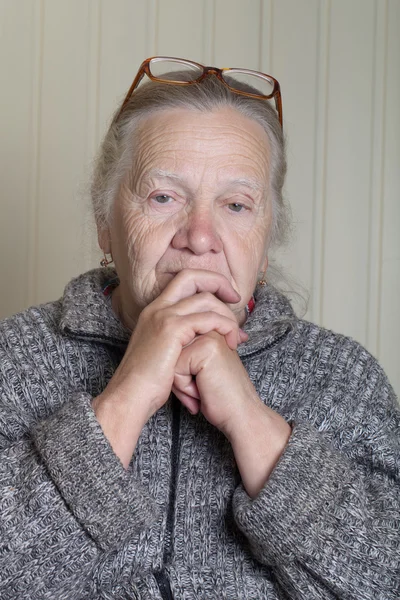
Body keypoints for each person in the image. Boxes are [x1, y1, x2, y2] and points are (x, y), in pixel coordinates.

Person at [0, 56, 399, 600]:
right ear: (104, 223)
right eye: (163, 197)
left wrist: (253, 423)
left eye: (236, 205)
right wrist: (127, 395)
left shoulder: (344, 376)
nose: (201, 236)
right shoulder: (16, 356)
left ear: (265, 242)